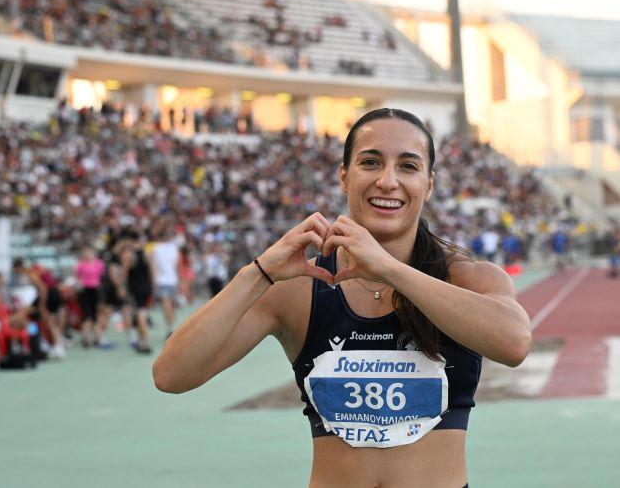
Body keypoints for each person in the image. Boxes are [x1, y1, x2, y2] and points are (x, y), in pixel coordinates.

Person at [154, 108, 532, 487]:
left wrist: (389, 268)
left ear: (428, 184)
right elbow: (171, 374)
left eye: (408, 167)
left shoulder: (467, 279)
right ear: (344, 176)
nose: (388, 181)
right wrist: (259, 272)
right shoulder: (301, 288)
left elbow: (514, 343)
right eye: (370, 162)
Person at [122, 230, 152, 354]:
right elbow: (151, 271)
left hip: (135, 288)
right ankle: (141, 340)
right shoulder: (146, 253)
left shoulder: (128, 254)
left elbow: (124, 274)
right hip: (146, 286)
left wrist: (122, 288)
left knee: (139, 314)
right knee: (142, 312)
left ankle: (146, 341)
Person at [149, 224, 180, 337]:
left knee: (166, 305)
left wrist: (153, 284)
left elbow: (152, 268)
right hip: (173, 279)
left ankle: (170, 327)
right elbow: (177, 266)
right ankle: (174, 326)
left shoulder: (155, 248)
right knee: (172, 304)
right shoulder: (173, 248)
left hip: (161, 280)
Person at [75, 246, 106, 348]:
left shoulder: (99, 264)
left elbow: (102, 276)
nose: (87, 255)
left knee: (96, 315)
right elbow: (78, 277)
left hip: (96, 290)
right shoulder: (80, 264)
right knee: (86, 315)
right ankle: (86, 338)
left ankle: (98, 337)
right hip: (84, 291)